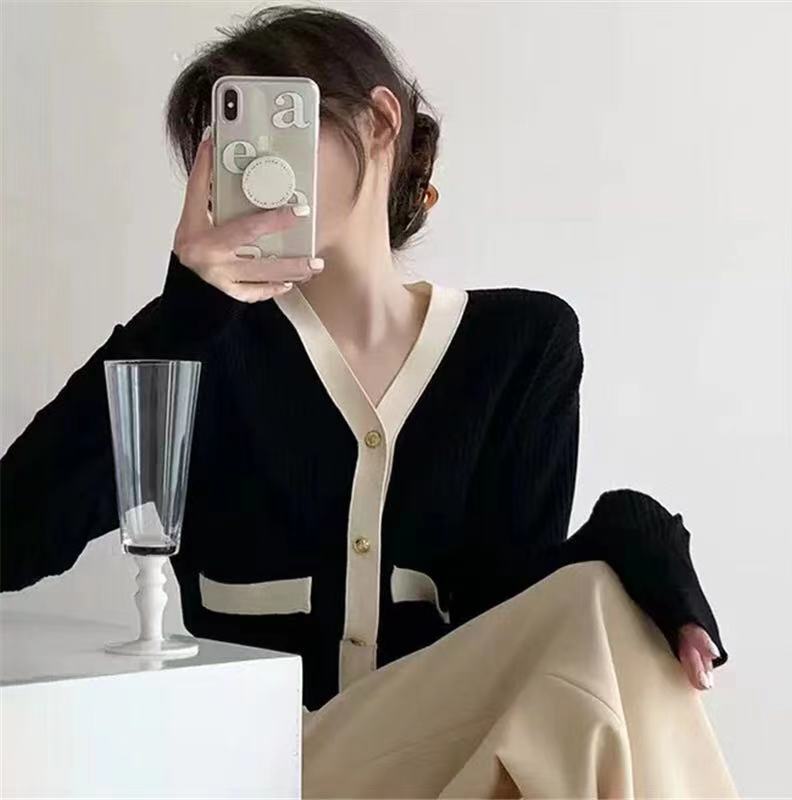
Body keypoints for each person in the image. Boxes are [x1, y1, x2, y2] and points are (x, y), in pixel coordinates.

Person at [0, 5, 737, 796]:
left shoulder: (520, 346)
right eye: (230, 142)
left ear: (380, 121)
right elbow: (12, 540)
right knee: (595, 606)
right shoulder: (205, 348)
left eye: (281, 125)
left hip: (452, 772)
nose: (258, 166)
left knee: (604, 612)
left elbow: (514, 628)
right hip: (258, 768)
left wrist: (625, 534)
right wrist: (185, 312)